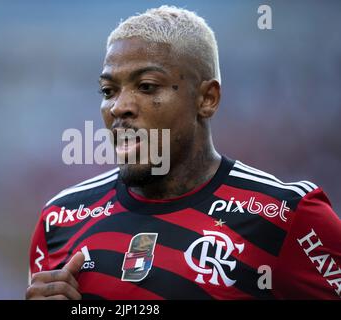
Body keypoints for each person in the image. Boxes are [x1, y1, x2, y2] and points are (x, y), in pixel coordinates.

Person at [26, 5, 341, 300]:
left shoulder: (286, 216)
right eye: (109, 91)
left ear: (207, 99)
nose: (119, 106)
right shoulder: (60, 219)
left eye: (147, 86)